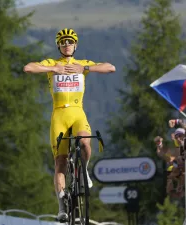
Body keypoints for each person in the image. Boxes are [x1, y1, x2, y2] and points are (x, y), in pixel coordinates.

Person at [23, 28, 116, 221]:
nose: (67, 45)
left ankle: (84, 172)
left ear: (75, 45)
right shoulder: (52, 63)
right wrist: (52, 69)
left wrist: (85, 69)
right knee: (60, 162)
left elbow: (110, 67)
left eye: (70, 42)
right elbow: (29, 68)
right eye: (63, 42)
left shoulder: (82, 64)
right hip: (59, 114)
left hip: (77, 112)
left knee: (85, 143)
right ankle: (61, 207)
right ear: (59, 46)